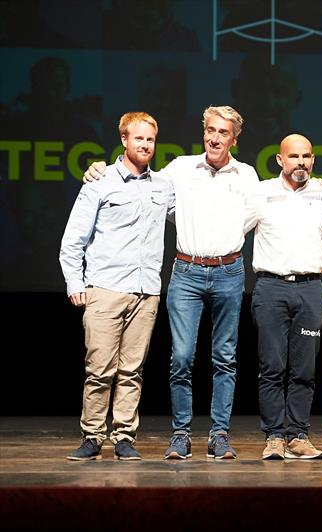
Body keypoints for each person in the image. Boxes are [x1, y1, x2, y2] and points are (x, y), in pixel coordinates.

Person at [83, 106, 259, 460]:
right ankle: (181, 434)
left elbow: (256, 215)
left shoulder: (248, 176)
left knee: (225, 357)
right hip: (186, 272)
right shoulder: (179, 169)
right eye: (210, 130)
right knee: (181, 357)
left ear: (234, 139)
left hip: (228, 271)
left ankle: (219, 434)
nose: (214, 138)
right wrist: (99, 169)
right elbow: (139, 182)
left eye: (223, 133)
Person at [60, 112, 174, 460]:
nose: (145, 145)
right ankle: (92, 436)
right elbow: (73, 239)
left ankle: (124, 436)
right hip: (106, 288)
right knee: (99, 369)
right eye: (138, 138)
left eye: (150, 139)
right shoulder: (100, 181)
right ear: (124, 139)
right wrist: (74, 282)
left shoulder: (163, 186)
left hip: (146, 291)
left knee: (132, 370)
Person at [247, 134, 322, 460]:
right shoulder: (261, 193)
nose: (301, 162)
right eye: (294, 156)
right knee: (272, 366)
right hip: (271, 289)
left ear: (313, 160)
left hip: (310, 290)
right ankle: (274, 437)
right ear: (280, 160)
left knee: (304, 368)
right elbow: (232, 231)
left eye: (307, 156)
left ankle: (298, 435)